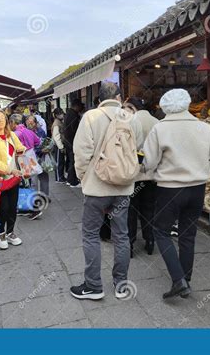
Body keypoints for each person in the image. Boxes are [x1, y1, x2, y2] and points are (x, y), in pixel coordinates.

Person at [143, 89, 210, 299]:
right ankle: (186, 279)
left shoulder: (159, 129)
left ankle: (178, 280)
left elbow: (149, 162)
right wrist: (200, 169)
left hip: (169, 189)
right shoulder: (204, 128)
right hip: (197, 188)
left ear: (165, 106)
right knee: (188, 234)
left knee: (161, 232)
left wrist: (152, 171)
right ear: (187, 103)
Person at [69, 82, 143, 301]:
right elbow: (135, 149)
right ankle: (121, 284)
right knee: (121, 235)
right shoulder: (131, 118)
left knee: (91, 235)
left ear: (99, 98)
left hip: (96, 188)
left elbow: (81, 153)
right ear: (119, 97)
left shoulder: (90, 117)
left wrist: (84, 177)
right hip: (123, 188)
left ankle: (93, 286)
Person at [123, 97, 159, 257]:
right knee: (149, 209)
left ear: (132, 107)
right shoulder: (156, 122)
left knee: (131, 210)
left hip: (134, 174)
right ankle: (150, 240)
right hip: (151, 174)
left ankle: (130, 244)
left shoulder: (130, 121)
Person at [0, 110, 26, 249]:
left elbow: (20, 148)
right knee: (3, 207)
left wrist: (22, 150)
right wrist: (10, 170)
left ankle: (10, 232)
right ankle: (1, 233)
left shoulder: (12, 135)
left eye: (3, 118)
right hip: (1, 179)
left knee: (13, 207)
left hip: (14, 178)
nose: (1, 120)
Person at [26, 115, 50, 219]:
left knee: (44, 179)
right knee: (34, 181)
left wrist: (47, 148)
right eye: (28, 123)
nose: (30, 125)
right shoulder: (25, 133)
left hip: (41, 158)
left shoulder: (41, 131)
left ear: (36, 123)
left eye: (32, 123)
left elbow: (45, 142)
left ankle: (44, 197)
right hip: (31, 160)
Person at [63, 98, 84, 187]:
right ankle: (72, 181)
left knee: (70, 159)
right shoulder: (73, 115)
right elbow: (74, 130)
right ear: (77, 106)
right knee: (73, 160)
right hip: (72, 141)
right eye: (80, 106)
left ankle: (69, 178)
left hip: (67, 140)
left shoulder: (68, 113)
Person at [51, 108, 66, 183]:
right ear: (57, 115)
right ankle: (59, 178)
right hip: (58, 146)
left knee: (61, 162)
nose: (62, 114)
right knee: (59, 162)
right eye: (61, 113)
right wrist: (61, 147)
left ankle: (61, 177)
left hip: (59, 145)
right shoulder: (56, 123)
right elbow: (56, 137)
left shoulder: (59, 122)